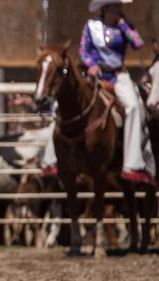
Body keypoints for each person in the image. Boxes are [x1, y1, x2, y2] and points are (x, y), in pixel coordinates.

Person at [79, 0, 155, 185]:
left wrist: (123, 25)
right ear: (104, 8)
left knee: (134, 107)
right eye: (114, 6)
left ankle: (132, 162)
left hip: (117, 75)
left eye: (119, 6)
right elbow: (83, 51)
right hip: (95, 75)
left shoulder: (125, 26)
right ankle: (54, 158)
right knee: (63, 104)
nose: (118, 9)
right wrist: (92, 65)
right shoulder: (91, 26)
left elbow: (138, 43)